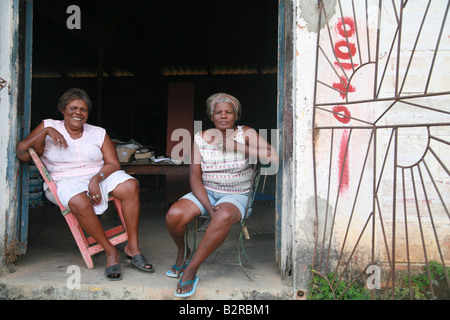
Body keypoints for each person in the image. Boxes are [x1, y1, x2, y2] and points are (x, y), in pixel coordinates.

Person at [17, 88, 154, 280]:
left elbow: (113, 164)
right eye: (73, 108)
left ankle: (133, 247)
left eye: (83, 109)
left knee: (130, 185)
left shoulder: (98, 133)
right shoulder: (49, 125)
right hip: (63, 180)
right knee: (79, 202)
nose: (78, 113)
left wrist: (96, 178)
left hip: (98, 175)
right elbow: (22, 153)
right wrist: (47, 131)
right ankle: (110, 252)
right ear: (62, 109)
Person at [165, 92, 278, 297]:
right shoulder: (200, 138)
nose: (223, 116)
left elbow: (273, 156)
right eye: (219, 112)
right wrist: (207, 205)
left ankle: (191, 269)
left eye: (228, 112)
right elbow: (194, 179)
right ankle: (183, 251)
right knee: (174, 215)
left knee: (223, 215)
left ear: (236, 116)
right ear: (212, 116)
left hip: (237, 195)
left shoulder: (245, 133)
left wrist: (236, 146)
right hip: (206, 192)